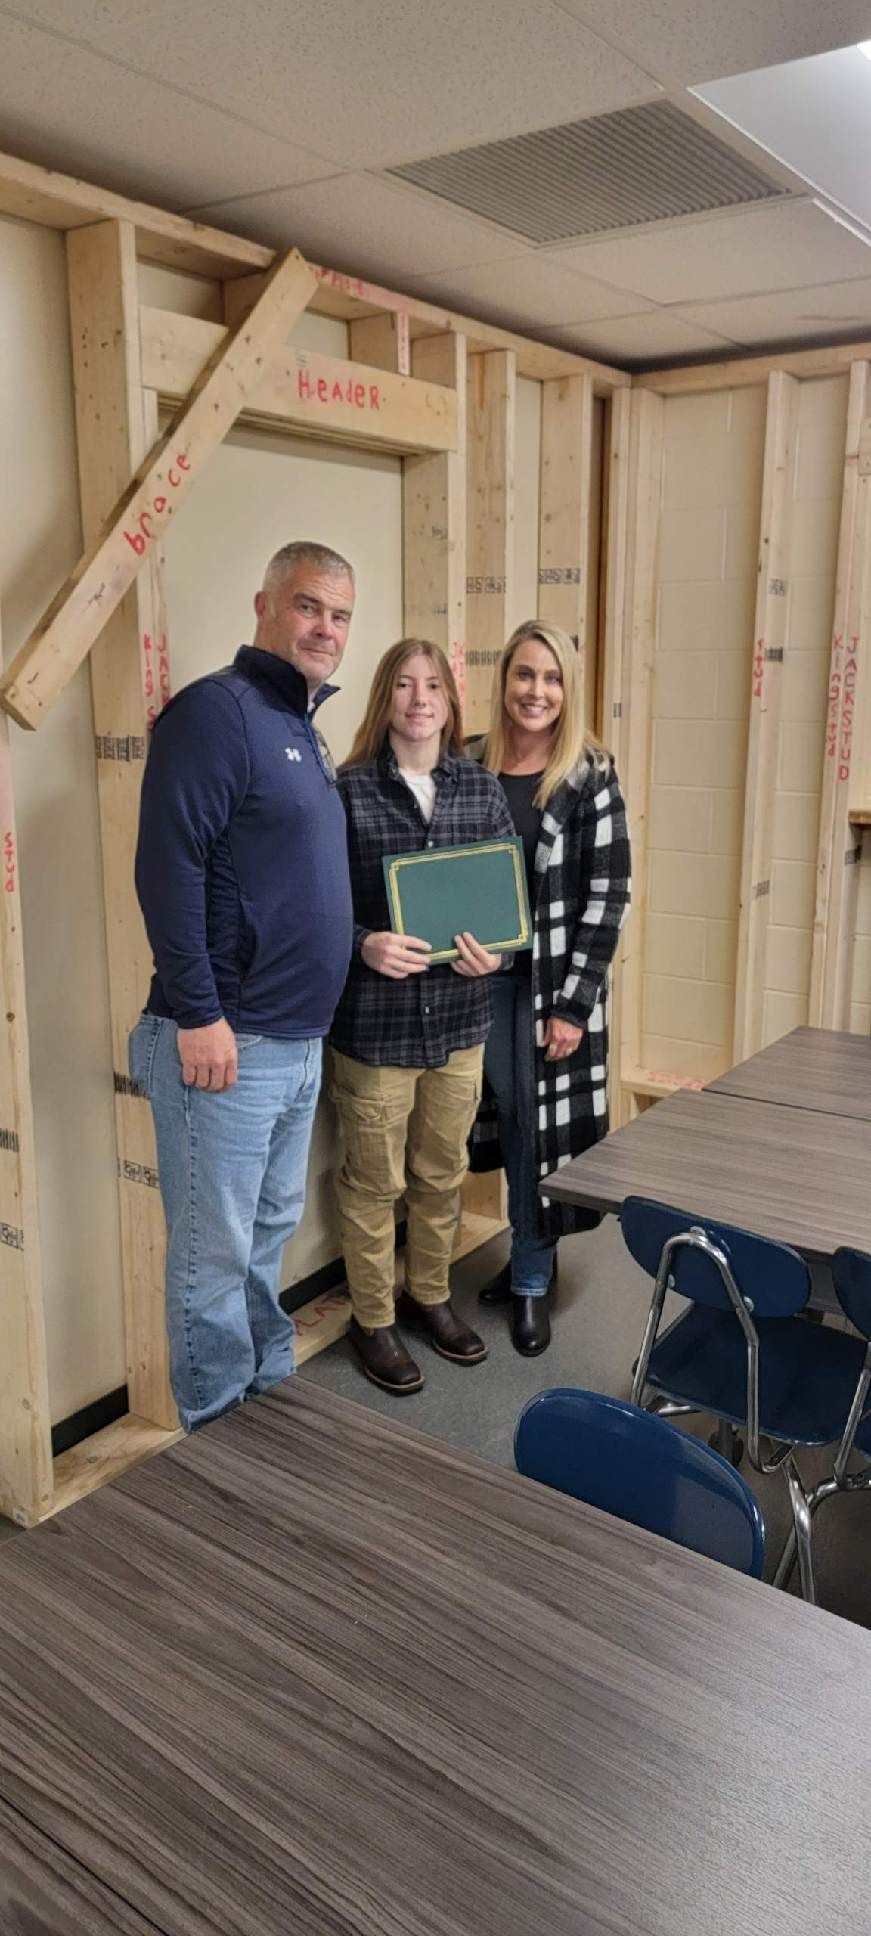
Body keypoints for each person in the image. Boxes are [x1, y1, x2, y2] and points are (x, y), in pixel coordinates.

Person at [129, 540, 356, 1432]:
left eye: (339, 614)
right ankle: (218, 1443)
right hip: (227, 1041)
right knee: (213, 1263)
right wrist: (199, 1013)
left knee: (264, 1242)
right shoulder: (216, 713)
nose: (325, 628)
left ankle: (266, 1408)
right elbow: (168, 866)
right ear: (264, 606)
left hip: (293, 1044)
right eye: (308, 606)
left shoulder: (300, 727)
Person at [329, 638, 516, 1395]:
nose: (418, 699)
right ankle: (373, 1319)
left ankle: (429, 1296)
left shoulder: (480, 789)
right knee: (372, 1185)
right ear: (386, 698)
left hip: (459, 1025)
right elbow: (313, 906)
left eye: (432, 685)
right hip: (375, 1028)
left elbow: (503, 902)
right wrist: (362, 943)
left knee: (441, 1174)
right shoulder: (345, 792)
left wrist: (494, 957)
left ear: (449, 700)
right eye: (404, 685)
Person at [469, 620, 630, 1357]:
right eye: (524, 674)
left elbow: (608, 896)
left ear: (568, 688)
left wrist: (573, 1006)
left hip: (548, 991)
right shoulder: (469, 761)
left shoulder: (588, 774)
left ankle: (532, 1277)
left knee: (534, 1129)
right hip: (476, 982)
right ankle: (526, 1249)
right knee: (505, 1118)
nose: (536, 691)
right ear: (504, 679)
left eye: (552, 677)